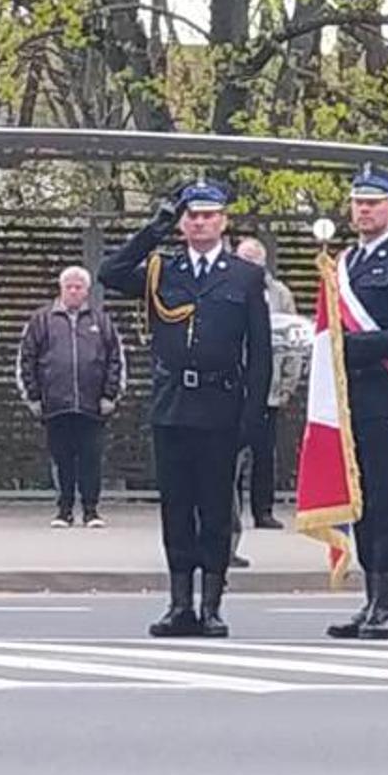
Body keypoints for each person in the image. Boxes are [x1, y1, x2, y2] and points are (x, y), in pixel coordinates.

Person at [97, 180, 271, 638]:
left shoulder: (244, 276)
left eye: (208, 215)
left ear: (223, 221)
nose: (199, 223)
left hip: (221, 404)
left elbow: (260, 352)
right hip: (173, 404)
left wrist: (254, 416)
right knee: (176, 508)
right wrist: (155, 227)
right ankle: (179, 604)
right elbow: (110, 272)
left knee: (215, 509)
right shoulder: (163, 269)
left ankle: (211, 605)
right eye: (191, 216)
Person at [313, 166, 388, 641]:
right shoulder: (345, 263)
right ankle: (368, 599)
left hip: (387, 394)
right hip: (348, 399)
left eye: (373, 202)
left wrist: (345, 346)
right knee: (358, 502)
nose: (364, 210)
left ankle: (387, 604)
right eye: (358, 202)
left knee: (387, 501)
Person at [16, 265, 124, 530]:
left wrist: (110, 395)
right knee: (62, 459)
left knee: (91, 459)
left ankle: (91, 511)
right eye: (69, 286)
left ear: (87, 291)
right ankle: (64, 511)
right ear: (61, 289)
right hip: (56, 405)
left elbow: (116, 360)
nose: (74, 291)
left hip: (93, 405)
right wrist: (33, 397)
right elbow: (26, 359)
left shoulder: (102, 321)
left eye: (79, 287)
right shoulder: (41, 320)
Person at [230, 238, 295, 532]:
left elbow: (293, 339)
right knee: (231, 455)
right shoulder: (225, 285)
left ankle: (263, 510)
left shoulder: (280, 293)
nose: (250, 265)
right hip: (232, 385)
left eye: (255, 259)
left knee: (264, 453)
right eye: (244, 259)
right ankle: (232, 513)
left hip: (269, 386)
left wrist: (288, 384)